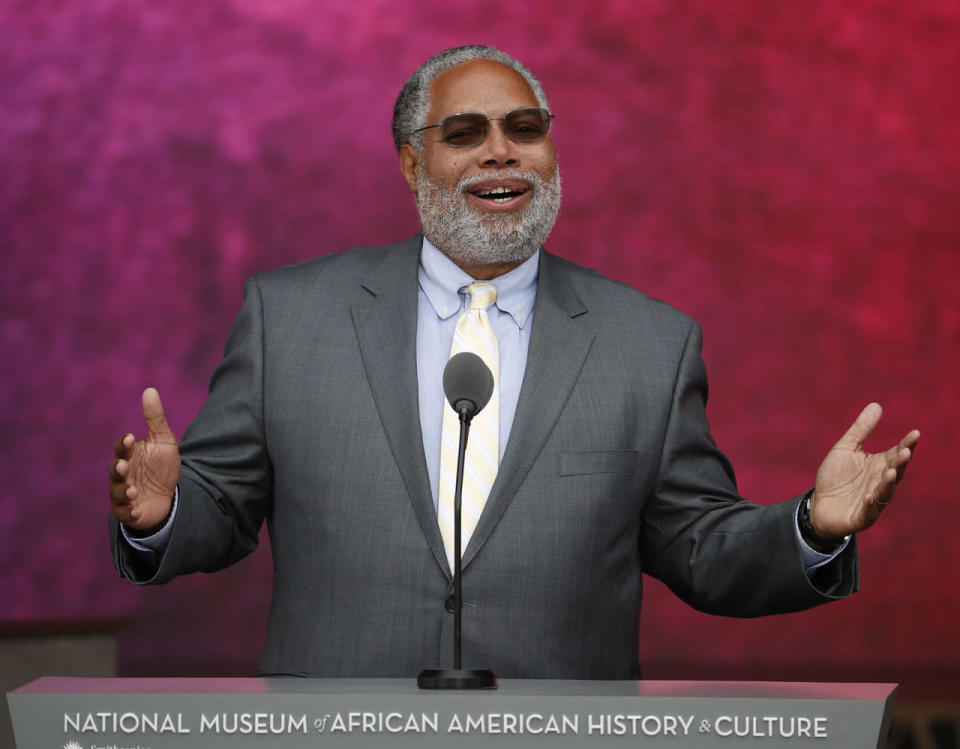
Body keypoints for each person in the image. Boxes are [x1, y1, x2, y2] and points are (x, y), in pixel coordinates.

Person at [109, 45, 919, 679]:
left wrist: (811, 526)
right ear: (408, 163)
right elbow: (221, 507)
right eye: (465, 134)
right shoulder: (290, 318)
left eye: (524, 129)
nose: (502, 152)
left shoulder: (650, 342)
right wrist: (164, 513)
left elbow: (700, 545)